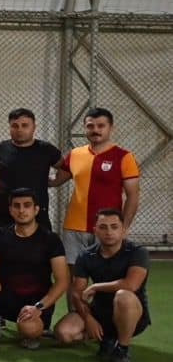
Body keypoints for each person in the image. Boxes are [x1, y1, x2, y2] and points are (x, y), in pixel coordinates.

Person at [0, 187, 67, 351]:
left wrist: (39, 307)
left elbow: (62, 281)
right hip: (7, 297)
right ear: (10, 210)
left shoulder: (51, 239)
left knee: (30, 330)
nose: (21, 210)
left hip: (36, 302)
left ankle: (32, 332)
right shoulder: (0, 235)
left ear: (36, 209)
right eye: (17, 206)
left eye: (27, 205)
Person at [56, 208, 150, 362]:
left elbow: (131, 284)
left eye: (114, 227)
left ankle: (122, 348)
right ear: (95, 230)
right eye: (103, 227)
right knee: (64, 333)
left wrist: (96, 287)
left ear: (123, 230)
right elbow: (77, 293)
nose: (109, 232)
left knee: (123, 296)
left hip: (132, 313)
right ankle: (106, 339)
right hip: (99, 313)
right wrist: (88, 318)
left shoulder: (137, 252)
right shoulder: (86, 256)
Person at [54, 107, 141, 265]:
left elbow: (133, 196)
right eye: (90, 126)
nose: (95, 130)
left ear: (111, 128)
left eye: (101, 126)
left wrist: (123, 227)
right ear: (85, 128)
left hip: (107, 228)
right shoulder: (75, 154)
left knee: (108, 274)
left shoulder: (124, 157)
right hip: (74, 226)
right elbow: (55, 180)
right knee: (74, 275)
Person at [0, 108, 64, 235]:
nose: (19, 130)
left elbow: (65, 168)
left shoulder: (46, 149)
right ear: (9, 127)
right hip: (5, 211)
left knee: (42, 246)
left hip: (37, 211)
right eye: (15, 126)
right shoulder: (1, 148)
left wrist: (54, 181)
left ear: (34, 127)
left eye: (25, 125)